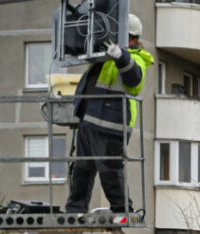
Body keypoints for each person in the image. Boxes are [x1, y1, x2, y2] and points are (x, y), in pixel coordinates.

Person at [65, 13, 153, 214]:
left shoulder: (137, 58)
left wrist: (121, 56)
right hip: (89, 122)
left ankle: (122, 209)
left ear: (132, 39)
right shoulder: (103, 56)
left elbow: (134, 79)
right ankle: (74, 210)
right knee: (82, 171)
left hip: (110, 124)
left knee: (110, 170)